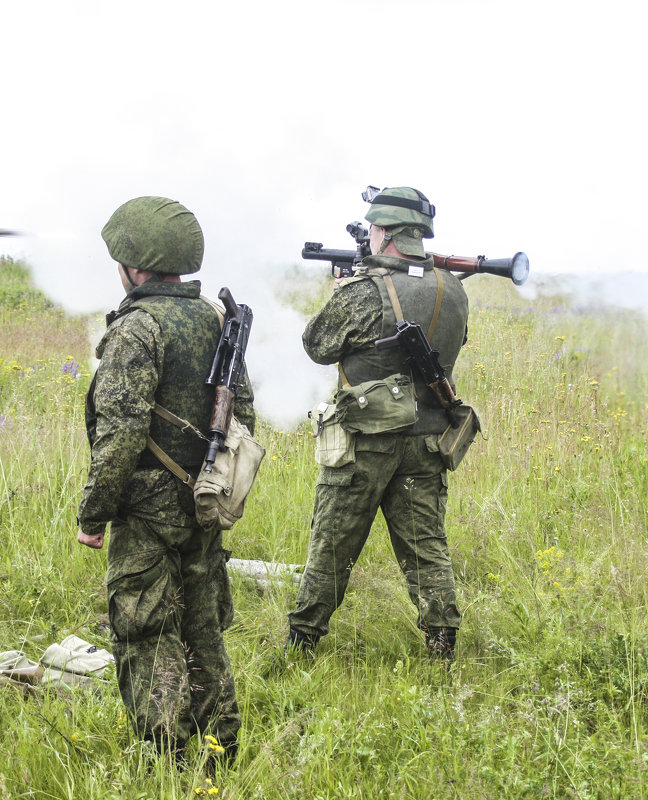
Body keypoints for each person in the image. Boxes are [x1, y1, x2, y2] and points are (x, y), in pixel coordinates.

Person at [76, 196, 255, 765]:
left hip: (148, 508)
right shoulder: (210, 317)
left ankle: (169, 762)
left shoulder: (138, 329)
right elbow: (241, 406)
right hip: (204, 497)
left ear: (133, 264)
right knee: (202, 626)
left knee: (145, 631)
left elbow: (121, 436)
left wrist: (93, 514)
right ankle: (219, 749)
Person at [287, 187, 468, 659]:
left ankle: (303, 640)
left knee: (332, 540)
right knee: (425, 543)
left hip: (367, 441)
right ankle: (441, 642)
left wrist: (345, 288)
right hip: (428, 437)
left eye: (372, 227)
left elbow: (317, 345)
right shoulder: (454, 289)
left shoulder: (366, 291)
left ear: (384, 231)